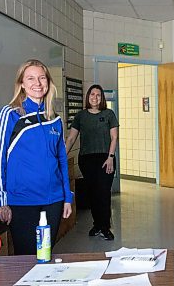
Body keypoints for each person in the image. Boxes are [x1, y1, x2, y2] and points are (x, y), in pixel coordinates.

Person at [0, 59, 73, 255]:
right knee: (26, 259)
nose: (38, 83)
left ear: (48, 82)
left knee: (46, 255)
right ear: (22, 84)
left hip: (53, 200)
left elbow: (61, 161)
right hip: (22, 201)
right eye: (31, 78)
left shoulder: (54, 119)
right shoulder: (9, 114)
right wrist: (0, 200)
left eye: (42, 78)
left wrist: (67, 196)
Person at [65, 84, 118, 240]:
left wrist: (110, 157)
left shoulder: (109, 114)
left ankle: (105, 227)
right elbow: (71, 138)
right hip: (87, 159)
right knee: (93, 193)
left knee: (103, 193)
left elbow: (114, 137)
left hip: (105, 158)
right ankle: (97, 225)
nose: (95, 97)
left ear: (102, 98)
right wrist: (61, 158)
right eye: (92, 95)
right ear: (88, 97)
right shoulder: (81, 116)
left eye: (98, 95)